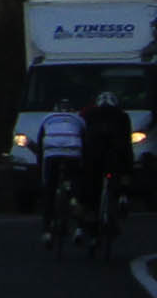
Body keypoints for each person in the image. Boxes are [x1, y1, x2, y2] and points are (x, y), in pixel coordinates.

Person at [83, 90, 137, 243]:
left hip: (94, 154)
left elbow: (85, 137)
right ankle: (122, 196)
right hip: (115, 154)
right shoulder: (122, 116)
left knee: (92, 188)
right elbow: (126, 142)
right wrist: (129, 166)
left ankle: (92, 221)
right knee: (119, 176)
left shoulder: (90, 115)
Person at [34, 95, 88, 243]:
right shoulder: (78, 119)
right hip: (73, 152)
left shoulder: (47, 118)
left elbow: (40, 145)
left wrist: (40, 168)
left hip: (52, 153)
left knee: (49, 190)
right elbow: (85, 141)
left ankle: (46, 230)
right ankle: (78, 218)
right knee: (76, 181)